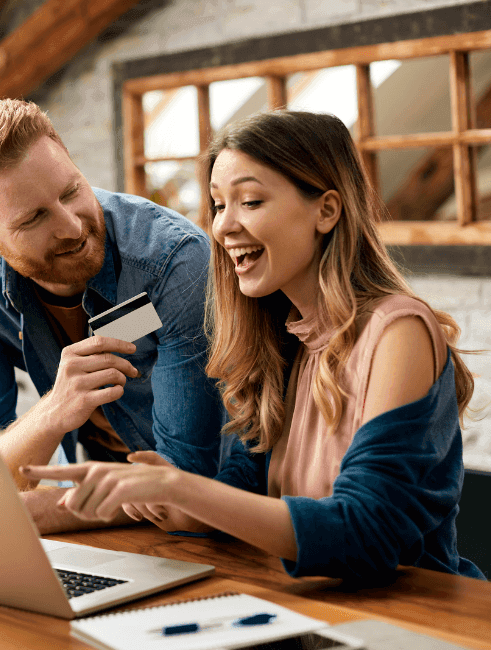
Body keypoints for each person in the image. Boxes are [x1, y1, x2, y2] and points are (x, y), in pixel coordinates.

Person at [24, 110, 486, 580]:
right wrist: (159, 499)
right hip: (312, 606)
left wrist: (182, 489)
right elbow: (245, 490)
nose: (223, 227)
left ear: (326, 210)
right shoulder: (284, 341)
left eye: (250, 201)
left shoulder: (397, 331)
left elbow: (366, 531)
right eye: (219, 205)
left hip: (416, 621)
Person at [0, 98, 226, 534]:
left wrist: (35, 512)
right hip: (107, 525)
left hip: (218, 524)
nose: (71, 227)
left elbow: (184, 481)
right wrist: (54, 410)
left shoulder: (172, 261)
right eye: (34, 218)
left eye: (71, 191)